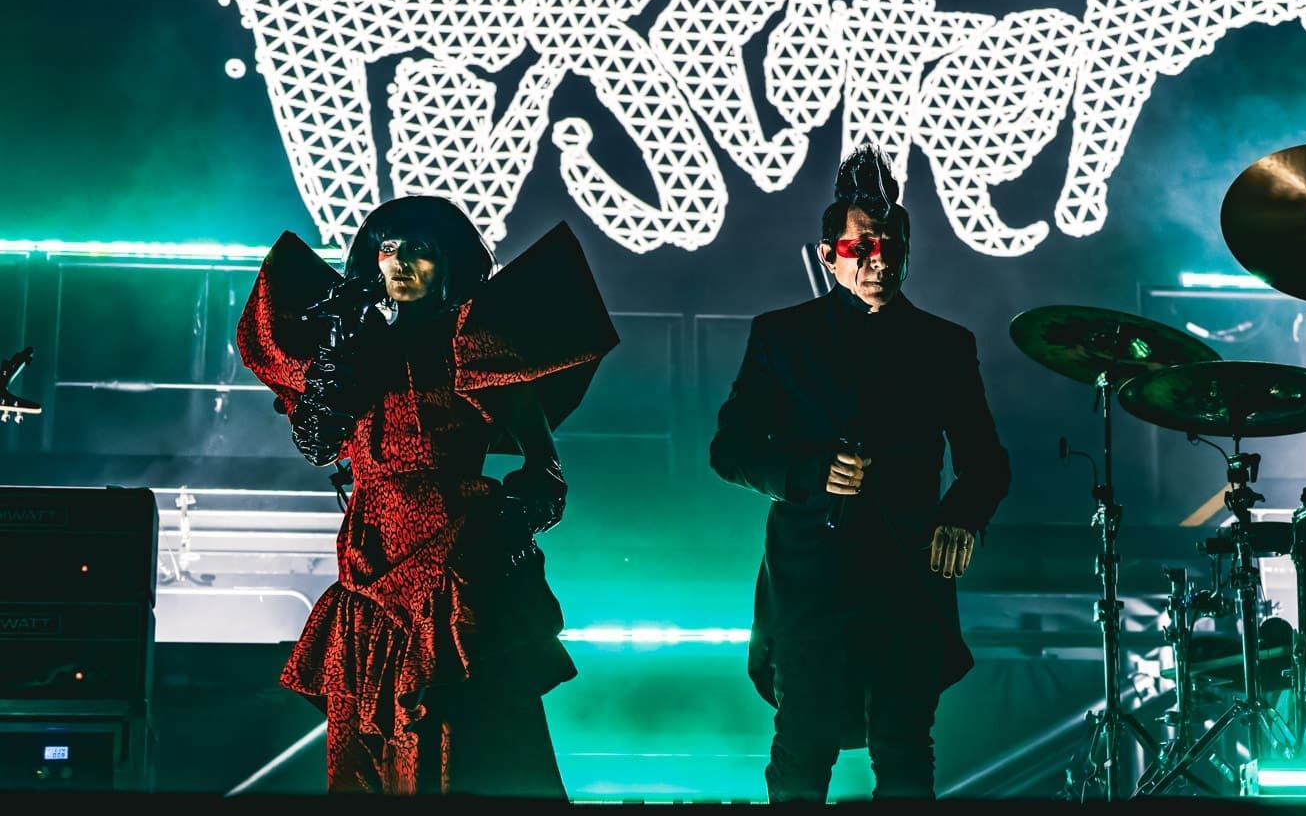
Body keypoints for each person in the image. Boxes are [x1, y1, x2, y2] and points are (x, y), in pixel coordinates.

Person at [236, 195, 618, 795]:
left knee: (472, 742)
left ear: (451, 261)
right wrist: (338, 353)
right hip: (369, 562)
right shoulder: (351, 346)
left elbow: (547, 473)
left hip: (459, 570)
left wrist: (509, 526)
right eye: (388, 248)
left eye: (420, 249)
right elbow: (316, 442)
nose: (401, 262)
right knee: (370, 751)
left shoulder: (481, 345)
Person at [708, 144, 1013, 802]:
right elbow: (731, 449)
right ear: (829, 255)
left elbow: (986, 462)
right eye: (861, 247)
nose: (879, 261)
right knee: (802, 750)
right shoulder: (781, 336)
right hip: (811, 582)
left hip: (906, 578)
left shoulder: (944, 344)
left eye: (891, 246)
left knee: (904, 755)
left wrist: (961, 516)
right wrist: (810, 472)